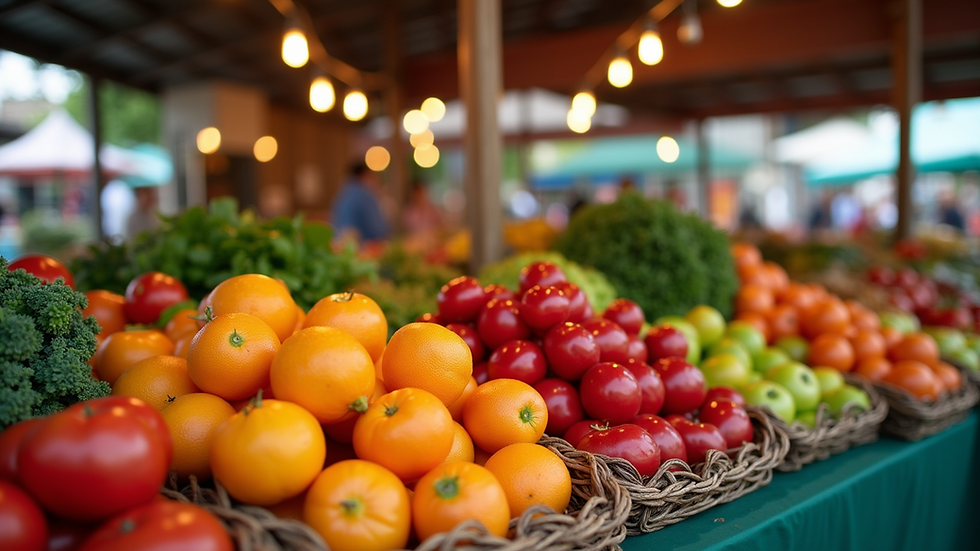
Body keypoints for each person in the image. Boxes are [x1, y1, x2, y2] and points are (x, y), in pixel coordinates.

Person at [331, 163, 390, 245]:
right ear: (365, 175)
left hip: (343, 247)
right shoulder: (364, 194)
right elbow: (378, 230)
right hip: (364, 249)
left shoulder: (343, 193)